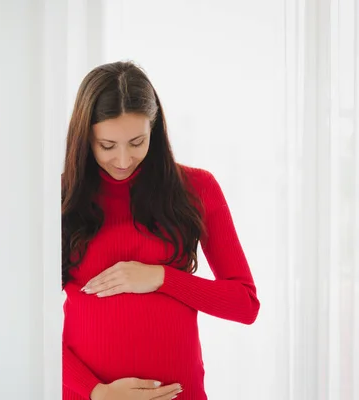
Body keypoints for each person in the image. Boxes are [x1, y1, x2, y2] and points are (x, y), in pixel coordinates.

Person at [61, 61, 260, 400]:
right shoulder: (62, 198)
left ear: (155, 128)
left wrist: (162, 278)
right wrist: (96, 392)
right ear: (85, 138)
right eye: (107, 146)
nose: (123, 160)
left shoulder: (197, 188)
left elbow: (245, 304)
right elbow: (22, 325)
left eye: (137, 142)